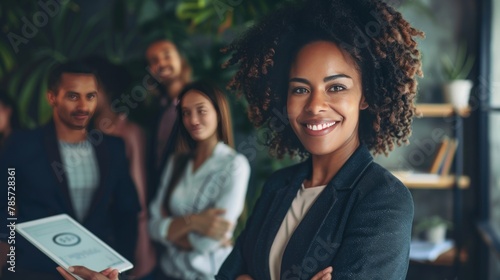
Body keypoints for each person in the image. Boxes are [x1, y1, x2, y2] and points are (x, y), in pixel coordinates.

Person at [215, 0, 423, 279]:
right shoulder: (278, 185)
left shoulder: (383, 199)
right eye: (300, 89)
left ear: (366, 96)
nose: (315, 106)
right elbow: (227, 275)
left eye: (336, 87)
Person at [57, 81, 250, 280]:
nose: (193, 120)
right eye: (185, 112)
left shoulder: (235, 165)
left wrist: (173, 230)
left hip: (210, 275)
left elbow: (209, 241)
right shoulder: (177, 162)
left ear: (219, 112)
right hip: (167, 273)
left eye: (201, 111)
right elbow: (153, 226)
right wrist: (194, 222)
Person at [0, 60, 140, 280]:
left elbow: (127, 210)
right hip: (35, 270)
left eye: (90, 96)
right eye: (73, 96)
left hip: (97, 271)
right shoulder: (20, 145)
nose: (83, 106)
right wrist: (8, 257)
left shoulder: (113, 148)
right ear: (52, 97)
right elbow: (6, 202)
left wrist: (125, 265)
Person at [86, 57, 157, 279]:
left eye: (90, 91)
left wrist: (138, 252)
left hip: (125, 240)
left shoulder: (129, 133)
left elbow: (138, 199)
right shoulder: (83, 133)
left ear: (105, 91)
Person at [145, 39, 193, 204]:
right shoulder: (157, 110)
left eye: (167, 56)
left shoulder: (200, 103)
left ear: (181, 59)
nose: (161, 63)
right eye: (154, 60)